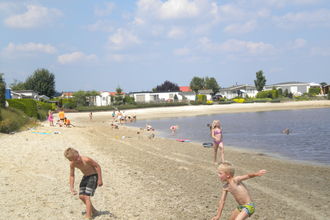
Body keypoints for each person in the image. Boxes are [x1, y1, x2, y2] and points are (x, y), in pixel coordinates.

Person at [64, 148, 103, 220]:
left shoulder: (86, 159)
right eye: (75, 159)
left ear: (78, 153)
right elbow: (72, 175)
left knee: (86, 196)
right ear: (70, 160)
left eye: (78, 157)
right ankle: (93, 211)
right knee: (81, 196)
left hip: (93, 176)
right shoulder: (72, 164)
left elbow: (97, 166)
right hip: (85, 177)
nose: (77, 160)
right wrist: (71, 188)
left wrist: (100, 179)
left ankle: (88, 216)